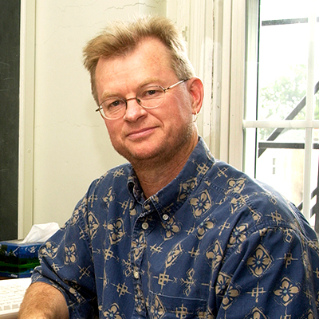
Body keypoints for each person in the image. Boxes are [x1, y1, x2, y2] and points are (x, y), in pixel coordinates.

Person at [19, 15, 319, 319]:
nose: (133, 113)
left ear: (194, 96)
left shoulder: (261, 229)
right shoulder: (103, 199)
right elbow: (57, 279)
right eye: (114, 103)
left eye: (150, 92)